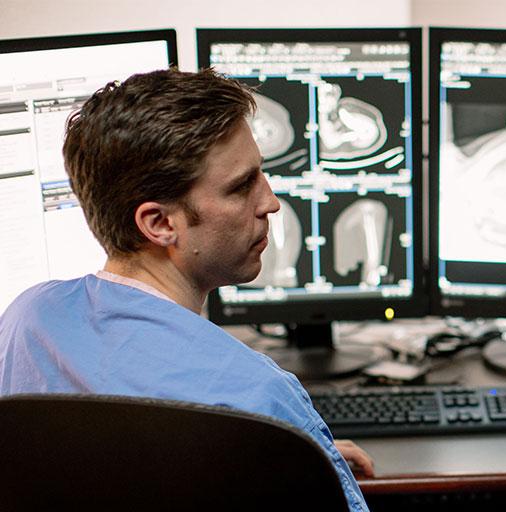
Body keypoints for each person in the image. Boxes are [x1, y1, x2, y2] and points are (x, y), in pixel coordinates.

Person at [0, 68, 373, 511]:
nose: (270, 202)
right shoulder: (260, 397)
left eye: (262, 175)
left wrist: (306, 460)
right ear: (159, 224)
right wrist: (293, 442)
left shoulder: (28, 321)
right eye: (241, 187)